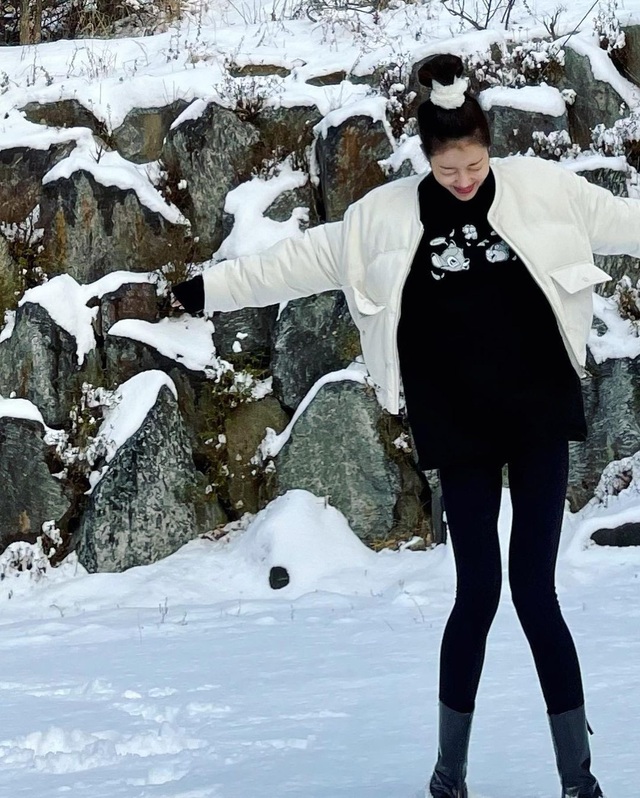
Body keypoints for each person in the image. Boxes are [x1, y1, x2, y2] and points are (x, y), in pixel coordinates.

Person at [169, 52, 640, 798]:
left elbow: (628, 224)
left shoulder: (545, 191)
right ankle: (448, 778)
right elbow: (295, 262)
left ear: (489, 147)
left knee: (535, 593)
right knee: (476, 594)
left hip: (537, 412)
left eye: (475, 164)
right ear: (426, 158)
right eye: (450, 168)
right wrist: (207, 290)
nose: (465, 179)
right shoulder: (381, 220)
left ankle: (579, 783)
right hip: (458, 423)